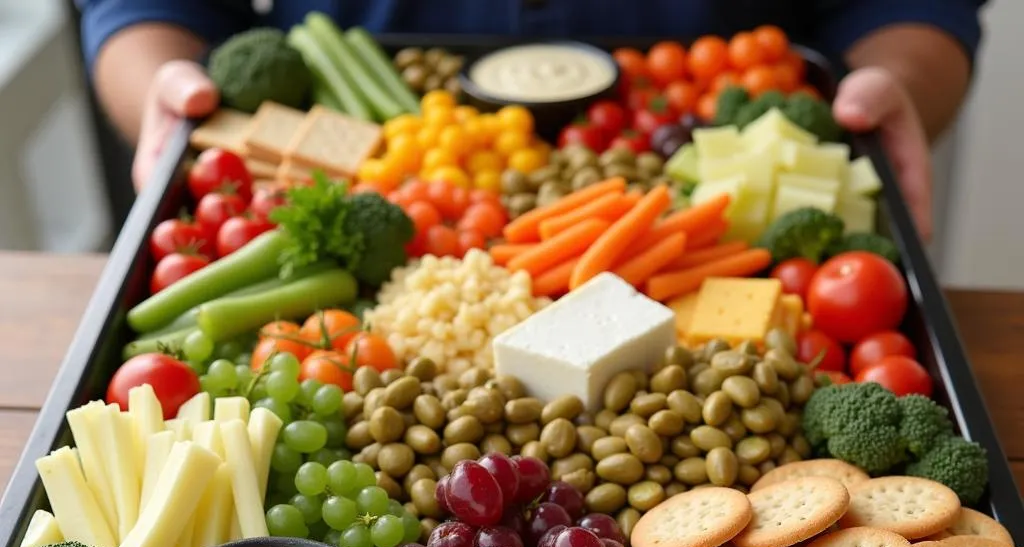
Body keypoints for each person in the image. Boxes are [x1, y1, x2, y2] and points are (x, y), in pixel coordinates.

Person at [78, 1, 987, 238]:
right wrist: (166, 81)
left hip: (685, 109)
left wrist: (892, 82)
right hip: (374, 129)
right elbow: (147, 4)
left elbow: (912, 6)